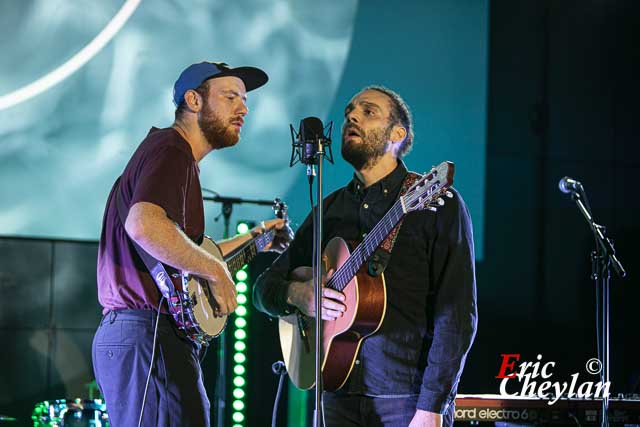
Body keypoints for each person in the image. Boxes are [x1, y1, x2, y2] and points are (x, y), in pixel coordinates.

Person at [253, 86, 477, 427]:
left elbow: (457, 314)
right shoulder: (328, 210)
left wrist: (432, 406)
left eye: (368, 112)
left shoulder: (434, 205)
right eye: (348, 113)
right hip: (334, 397)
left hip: (406, 400)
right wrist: (297, 294)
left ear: (397, 134)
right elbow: (263, 289)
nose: (351, 117)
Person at [92, 61, 290, 427]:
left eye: (244, 100)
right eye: (230, 97)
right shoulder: (172, 150)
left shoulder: (165, 154)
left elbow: (188, 254)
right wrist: (216, 272)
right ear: (193, 101)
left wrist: (255, 240)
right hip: (149, 335)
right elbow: (143, 224)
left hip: (136, 337)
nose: (243, 109)